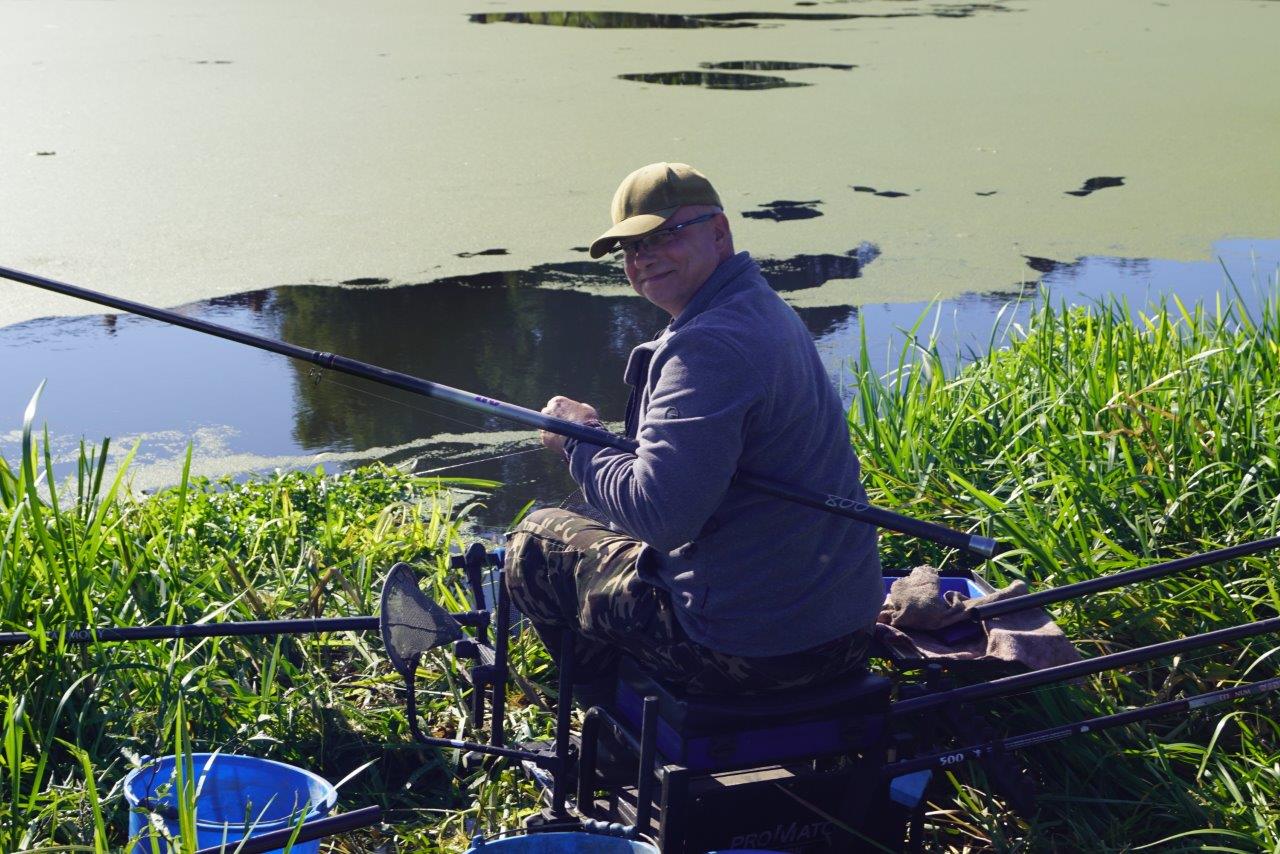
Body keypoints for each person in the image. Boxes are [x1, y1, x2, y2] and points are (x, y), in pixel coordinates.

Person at [505, 162, 883, 697]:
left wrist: (578, 439)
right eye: (630, 248)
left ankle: (604, 715)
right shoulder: (759, 307)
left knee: (535, 540)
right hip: (846, 627)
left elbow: (661, 518)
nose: (643, 258)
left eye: (664, 236)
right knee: (601, 527)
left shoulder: (707, 347)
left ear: (719, 232)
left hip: (753, 653)